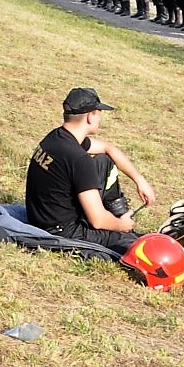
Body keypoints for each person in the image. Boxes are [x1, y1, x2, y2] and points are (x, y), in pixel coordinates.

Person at [23, 88, 156, 255]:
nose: (100, 118)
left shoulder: (57, 137)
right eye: (99, 113)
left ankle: (117, 214)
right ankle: (122, 224)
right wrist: (121, 225)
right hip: (63, 231)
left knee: (103, 159)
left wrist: (139, 180)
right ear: (90, 116)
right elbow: (98, 220)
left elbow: (108, 148)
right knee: (139, 245)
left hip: (40, 216)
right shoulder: (78, 158)